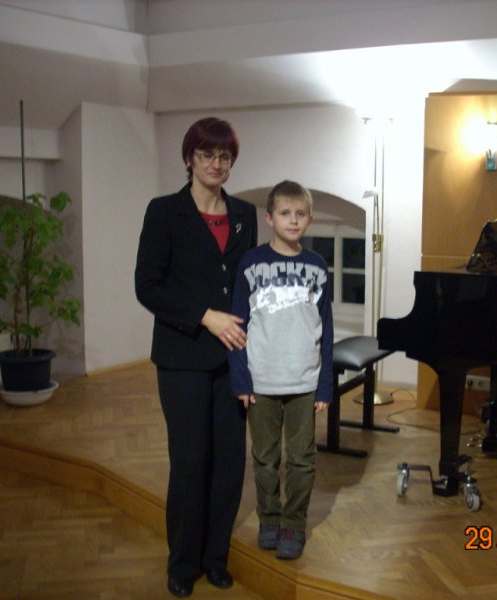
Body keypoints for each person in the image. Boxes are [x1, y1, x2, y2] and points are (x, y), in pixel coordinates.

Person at [135, 117, 257, 598]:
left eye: (224, 156)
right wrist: (206, 317)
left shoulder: (245, 214)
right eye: (207, 154)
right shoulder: (164, 211)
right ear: (190, 158)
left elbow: (247, 286)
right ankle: (183, 563)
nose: (216, 163)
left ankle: (215, 558)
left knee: (229, 462)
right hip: (182, 357)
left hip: (233, 358)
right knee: (190, 462)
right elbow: (148, 286)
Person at [229, 180, 333, 560]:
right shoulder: (251, 263)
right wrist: (241, 378)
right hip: (261, 381)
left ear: (310, 219)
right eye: (285, 213)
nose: (293, 220)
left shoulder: (317, 266)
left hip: (305, 382)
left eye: (300, 214)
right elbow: (237, 325)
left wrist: (325, 385)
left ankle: (293, 523)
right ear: (270, 218)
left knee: (302, 460)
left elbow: (326, 329)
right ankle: (269, 518)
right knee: (265, 458)